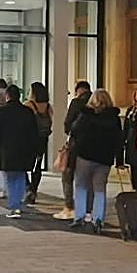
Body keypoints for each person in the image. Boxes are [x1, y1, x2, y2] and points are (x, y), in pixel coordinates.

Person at [68, 88, 122, 235]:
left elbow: (74, 130)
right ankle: (98, 219)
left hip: (85, 155)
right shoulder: (114, 118)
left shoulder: (86, 115)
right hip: (104, 158)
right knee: (100, 189)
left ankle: (79, 216)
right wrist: (119, 160)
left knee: (81, 186)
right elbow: (119, 140)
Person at [0, 84, 38, 218]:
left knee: (10, 177)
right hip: (24, 149)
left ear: (7, 96)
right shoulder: (27, 112)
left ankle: (14, 206)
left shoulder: (2, 112)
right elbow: (34, 132)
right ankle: (18, 203)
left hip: (7, 148)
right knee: (21, 176)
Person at [52, 80, 92, 220]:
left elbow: (67, 125)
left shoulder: (76, 103)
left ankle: (69, 206)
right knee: (88, 180)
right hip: (93, 148)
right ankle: (88, 209)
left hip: (76, 146)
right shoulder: (98, 104)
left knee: (68, 176)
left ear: (79, 91)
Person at [24, 82, 53, 205]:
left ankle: (28, 188)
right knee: (38, 165)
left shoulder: (29, 105)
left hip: (30, 139)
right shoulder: (48, 106)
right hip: (43, 139)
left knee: (24, 165)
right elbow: (50, 122)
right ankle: (34, 190)